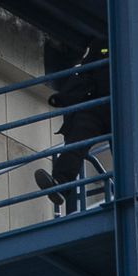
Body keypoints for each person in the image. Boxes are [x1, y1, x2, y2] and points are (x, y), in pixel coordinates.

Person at [34, 39, 111, 210]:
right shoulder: (102, 42)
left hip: (124, 103)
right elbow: (85, 72)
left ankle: (134, 188)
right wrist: (66, 96)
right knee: (77, 138)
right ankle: (61, 184)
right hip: (97, 104)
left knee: (126, 150)